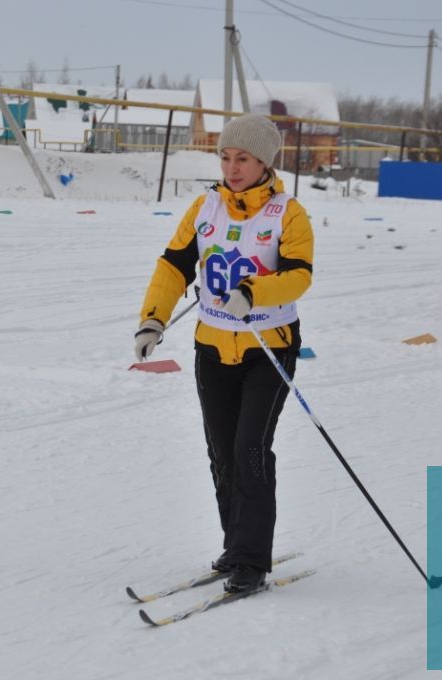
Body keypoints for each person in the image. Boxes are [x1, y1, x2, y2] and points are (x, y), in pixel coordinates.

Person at [133, 113, 315, 593]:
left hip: (268, 349)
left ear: (264, 163)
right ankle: (236, 548)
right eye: (226, 157)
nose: (233, 168)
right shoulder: (204, 207)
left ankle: (252, 560)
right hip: (212, 347)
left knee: (250, 451)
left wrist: (254, 292)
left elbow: (299, 276)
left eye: (244, 159)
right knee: (222, 454)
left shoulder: (287, 213)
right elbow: (174, 266)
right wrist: (153, 318)